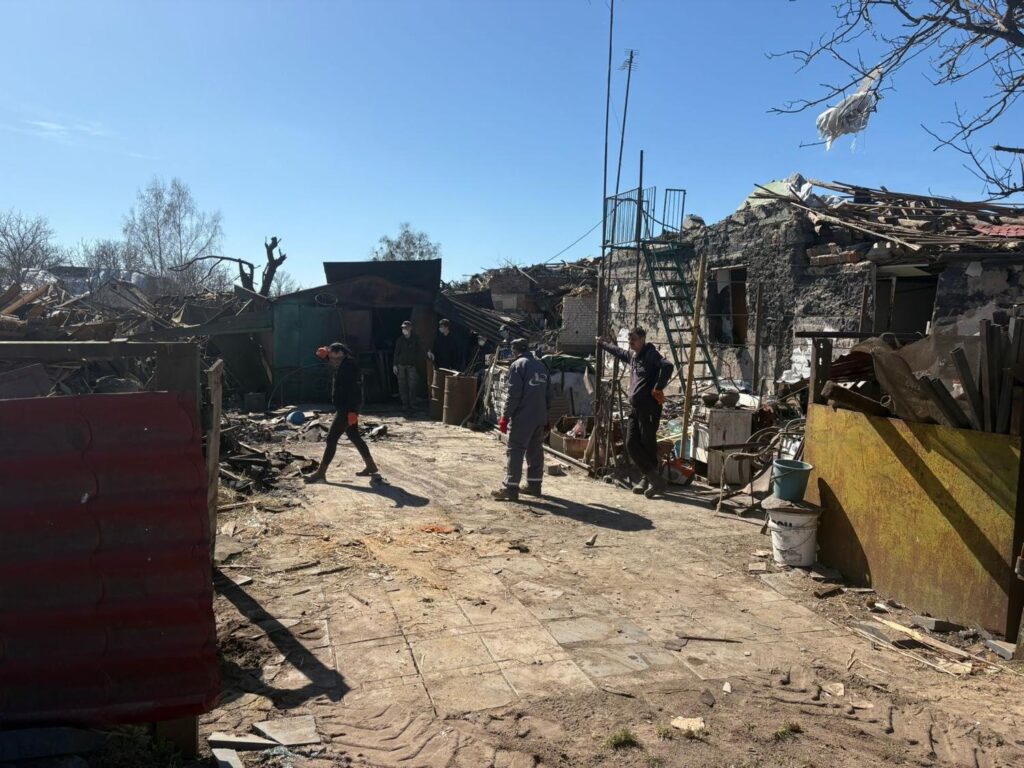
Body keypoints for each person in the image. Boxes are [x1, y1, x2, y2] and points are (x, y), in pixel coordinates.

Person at [597, 328, 674, 498]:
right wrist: (603, 344)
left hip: (649, 408)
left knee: (648, 442)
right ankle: (654, 479)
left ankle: (649, 480)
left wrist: (658, 387)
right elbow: (619, 352)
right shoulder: (633, 356)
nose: (631, 343)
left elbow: (668, 366)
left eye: (634, 339)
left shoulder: (650, 354)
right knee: (631, 443)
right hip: (635, 408)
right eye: (629, 340)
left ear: (643, 339)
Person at [305, 342, 379, 483]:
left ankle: (321, 473)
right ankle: (371, 465)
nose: (331, 357)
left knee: (331, 439)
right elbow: (333, 363)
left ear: (340, 353)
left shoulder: (349, 366)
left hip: (347, 408)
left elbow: (353, 390)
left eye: (332, 353)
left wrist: (351, 411)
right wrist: (326, 355)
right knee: (354, 436)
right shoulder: (344, 362)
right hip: (346, 407)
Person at [492, 338, 551, 502]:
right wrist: (547, 417)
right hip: (539, 417)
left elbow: (514, 395)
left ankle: (511, 488)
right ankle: (534, 486)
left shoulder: (517, 366)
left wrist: (505, 417)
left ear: (514, 350)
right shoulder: (541, 366)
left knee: (516, 450)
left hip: (523, 417)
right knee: (535, 451)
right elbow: (549, 395)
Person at [392, 320, 421, 413]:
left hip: (411, 365)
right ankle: (405, 404)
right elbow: (396, 353)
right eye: (403, 328)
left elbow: (420, 350)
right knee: (402, 385)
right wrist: (394, 365)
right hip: (401, 365)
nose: (404, 330)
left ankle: (412, 404)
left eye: (406, 328)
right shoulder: (400, 340)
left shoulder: (415, 339)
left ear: (410, 328)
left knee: (412, 385)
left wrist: (427, 353)